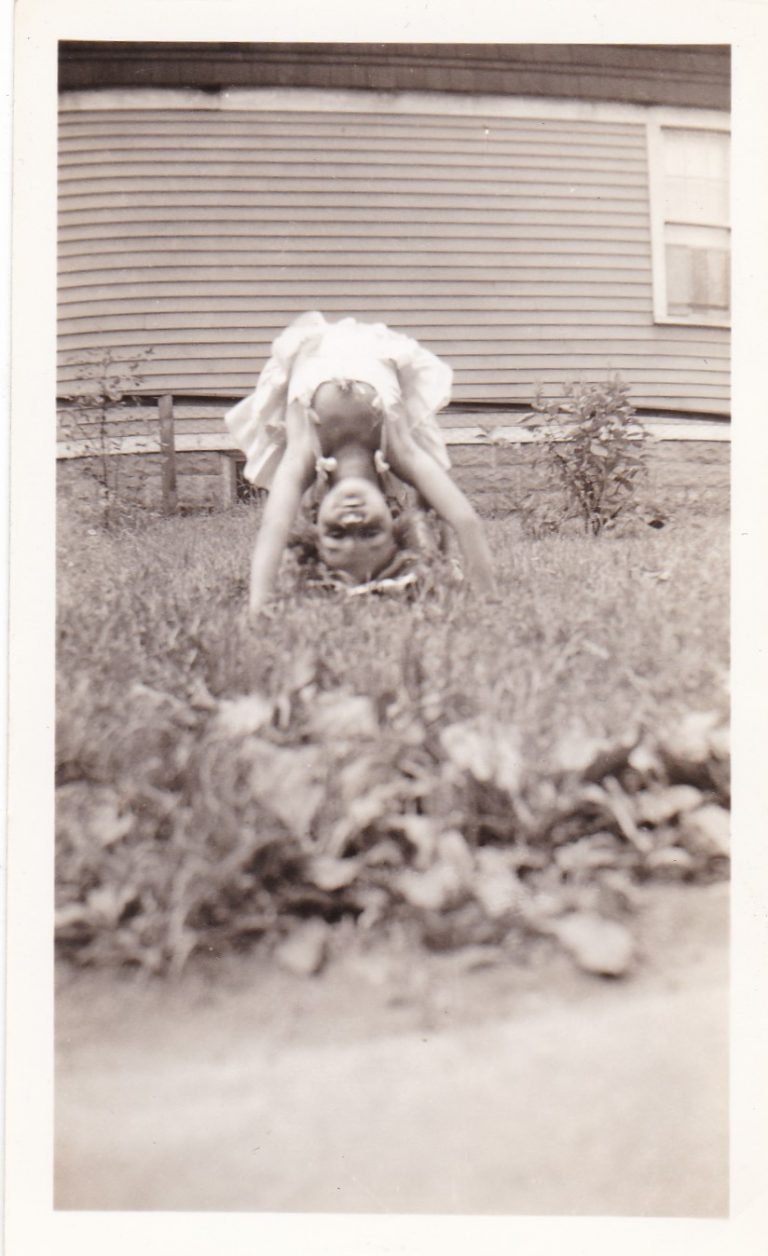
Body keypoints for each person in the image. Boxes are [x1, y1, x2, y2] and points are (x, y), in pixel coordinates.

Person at [225, 311, 496, 615]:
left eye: (336, 532)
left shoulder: (301, 457)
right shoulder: (401, 452)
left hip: (311, 352)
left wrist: (259, 610)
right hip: (377, 354)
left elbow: (274, 526)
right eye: (370, 530)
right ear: (393, 519)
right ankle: (439, 561)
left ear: (316, 523)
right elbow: (466, 522)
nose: (353, 517)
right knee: (430, 494)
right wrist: (486, 602)